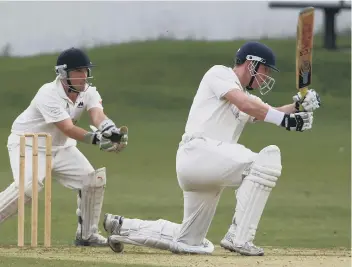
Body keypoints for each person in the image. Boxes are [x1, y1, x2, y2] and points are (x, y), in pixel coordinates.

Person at [103, 41, 321, 256]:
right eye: (265, 69)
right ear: (251, 64)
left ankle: (122, 227)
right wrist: (285, 120)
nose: (266, 76)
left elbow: (263, 110)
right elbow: (246, 104)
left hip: (206, 167)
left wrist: (297, 106)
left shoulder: (245, 96)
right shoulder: (220, 74)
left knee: (191, 241)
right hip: (198, 153)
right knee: (266, 161)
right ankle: (240, 238)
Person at [0, 47, 128, 246]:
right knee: (27, 188)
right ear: (63, 73)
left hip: (61, 147)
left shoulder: (89, 92)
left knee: (92, 180)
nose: (84, 76)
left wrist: (111, 131)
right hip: (29, 144)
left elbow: (97, 115)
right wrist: (96, 140)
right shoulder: (48, 94)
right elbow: (67, 127)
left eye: (86, 70)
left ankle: (87, 236)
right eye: (78, 71)